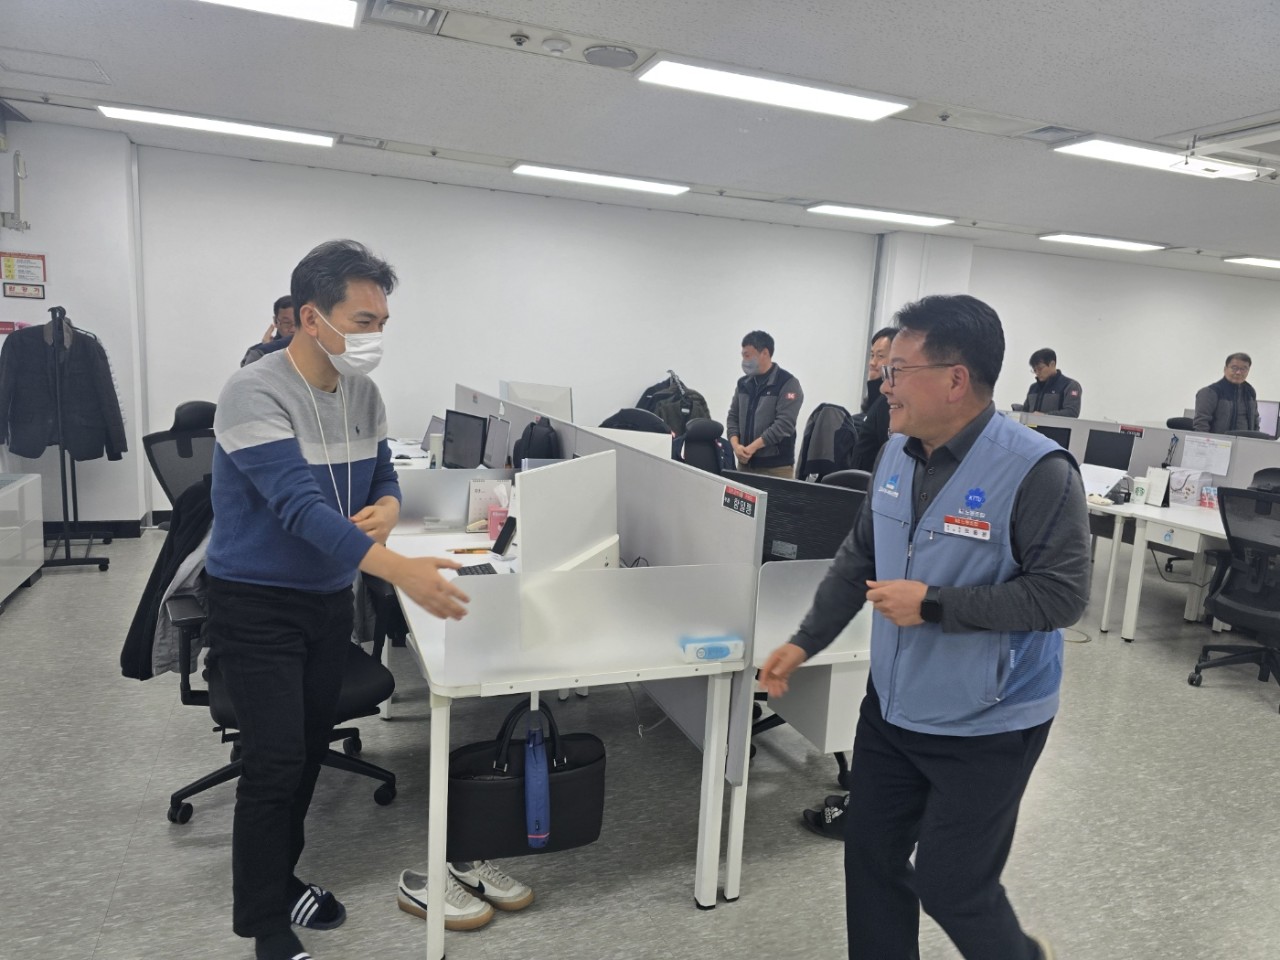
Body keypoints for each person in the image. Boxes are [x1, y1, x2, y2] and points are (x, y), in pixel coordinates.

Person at [760, 294, 1090, 960]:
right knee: (871, 859)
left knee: (952, 885)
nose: (884, 386)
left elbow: (1062, 598)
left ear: (955, 379)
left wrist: (935, 603)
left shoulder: (1038, 471)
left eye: (897, 371)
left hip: (989, 721)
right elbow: (860, 558)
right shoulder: (895, 452)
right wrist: (804, 641)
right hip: (893, 707)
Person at [206, 240, 477, 960]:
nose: (374, 337)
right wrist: (400, 570)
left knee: (304, 752)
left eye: (381, 322)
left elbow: (382, 472)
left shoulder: (362, 392)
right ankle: (263, 923)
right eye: (362, 321)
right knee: (272, 763)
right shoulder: (254, 391)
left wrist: (389, 507)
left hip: (327, 598)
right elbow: (300, 508)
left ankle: (281, 878)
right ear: (309, 317)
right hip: (257, 602)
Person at [725, 330, 804, 477]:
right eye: (742, 355)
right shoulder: (743, 383)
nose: (744, 361)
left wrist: (752, 448)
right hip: (745, 464)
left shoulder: (787, 383)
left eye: (747, 355)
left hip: (776, 468)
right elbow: (733, 417)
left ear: (765, 353)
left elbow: (784, 424)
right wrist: (736, 446)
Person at [848, 326, 896, 472]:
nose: (872, 363)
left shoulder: (890, 403)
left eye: (880, 356)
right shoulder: (876, 401)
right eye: (872, 355)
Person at [1193, 352, 1259, 433]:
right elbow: (1201, 424)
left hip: (1245, 440)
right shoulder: (1210, 392)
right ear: (1225, 369)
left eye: (1243, 369)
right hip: (1218, 440)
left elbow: (1255, 420)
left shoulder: (1250, 392)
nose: (1238, 372)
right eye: (1234, 368)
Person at [1022, 348, 1081, 418]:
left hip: (1056, 425)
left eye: (1040, 368)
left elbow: (1071, 413)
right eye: (1034, 370)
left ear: (1052, 364)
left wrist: (1045, 416)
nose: (1037, 373)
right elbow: (1025, 411)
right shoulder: (1033, 388)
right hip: (1031, 425)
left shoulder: (1070, 386)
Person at [241, 295, 297, 366]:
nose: (293, 329)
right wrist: (268, 349)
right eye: (287, 323)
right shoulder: (258, 352)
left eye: (298, 323)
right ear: (275, 321)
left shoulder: (309, 347)